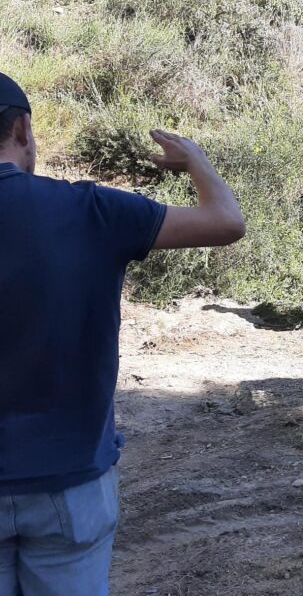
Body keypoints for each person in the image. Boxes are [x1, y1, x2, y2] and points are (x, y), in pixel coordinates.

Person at [0, 72, 245, 595]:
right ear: (22, 130)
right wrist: (195, 160)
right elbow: (225, 221)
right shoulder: (91, 211)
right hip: (71, 482)